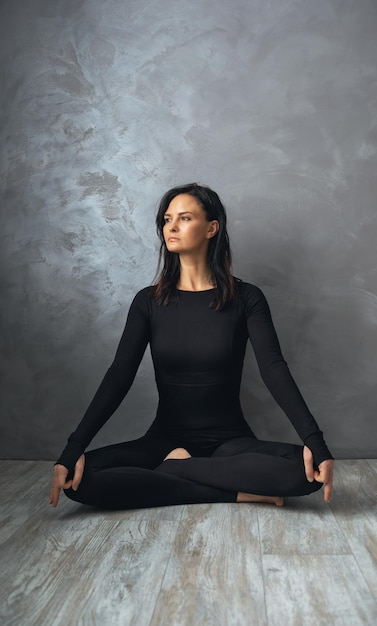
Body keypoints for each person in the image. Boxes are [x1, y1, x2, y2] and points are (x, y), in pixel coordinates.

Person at [49, 183, 334, 510]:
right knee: (79, 477)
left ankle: (178, 470)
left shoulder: (247, 298)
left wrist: (316, 443)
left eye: (184, 218)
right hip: (162, 442)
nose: (171, 226)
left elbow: (274, 369)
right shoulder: (148, 301)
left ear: (212, 228)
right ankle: (230, 491)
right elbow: (119, 376)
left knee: (304, 471)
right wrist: (71, 451)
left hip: (230, 444)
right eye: (167, 219)